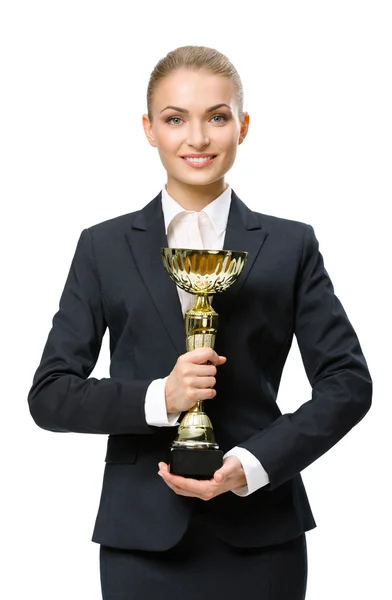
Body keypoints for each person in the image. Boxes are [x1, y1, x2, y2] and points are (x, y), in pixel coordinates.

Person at [27, 45, 372, 600]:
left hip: (259, 529)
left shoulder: (290, 244)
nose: (198, 138)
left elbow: (349, 384)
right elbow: (49, 395)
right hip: (141, 534)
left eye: (217, 116)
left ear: (243, 125)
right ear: (148, 128)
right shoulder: (103, 247)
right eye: (174, 119)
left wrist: (255, 463)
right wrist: (160, 397)